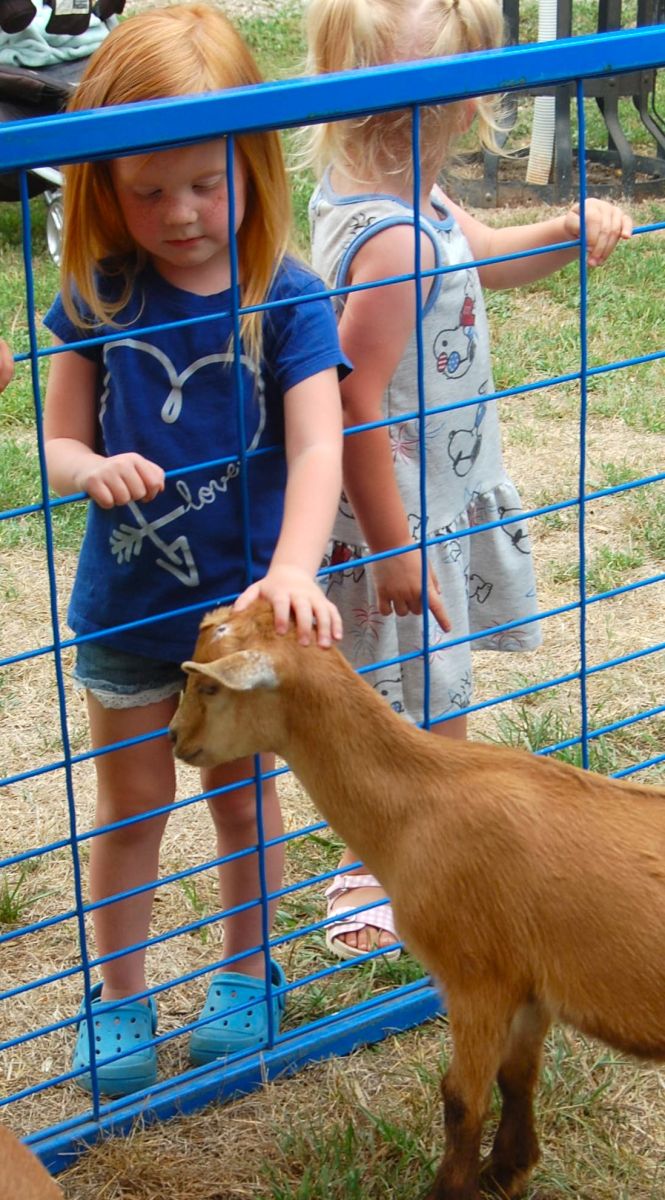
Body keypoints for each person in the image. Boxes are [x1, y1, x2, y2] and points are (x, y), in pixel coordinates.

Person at [43, 2, 347, 1097]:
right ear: (99, 184)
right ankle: (116, 995)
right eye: (146, 188)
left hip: (243, 619)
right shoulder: (100, 296)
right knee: (129, 810)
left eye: (205, 182)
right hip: (128, 613)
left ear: (251, 165)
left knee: (240, 802)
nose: (179, 214)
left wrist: (296, 568)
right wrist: (87, 470)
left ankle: (245, 971)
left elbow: (321, 447)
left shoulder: (290, 297)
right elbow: (57, 434)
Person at [304, 0, 633, 960]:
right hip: (398, 514)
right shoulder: (395, 237)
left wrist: (566, 228)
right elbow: (354, 400)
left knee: (423, 689)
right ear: (472, 100)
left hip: (429, 499)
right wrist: (398, 546)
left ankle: (407, 858)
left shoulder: (406, 200)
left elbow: (480, 259)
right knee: (416, 700)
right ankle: (394, 876)